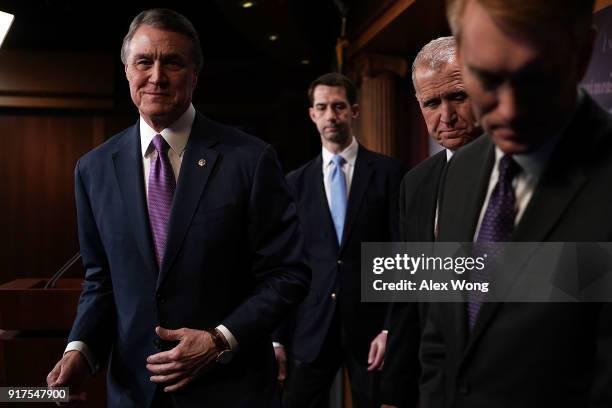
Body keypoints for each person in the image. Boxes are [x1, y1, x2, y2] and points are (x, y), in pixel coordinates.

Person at [46, 8, 310, 407]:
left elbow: (288, 273)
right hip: (134, 394)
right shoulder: (93, 169)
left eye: (172, 62)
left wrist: (219, 339)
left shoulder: (250, 160)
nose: (156, 76)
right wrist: (79, 350)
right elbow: (101, 282)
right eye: (144, 62)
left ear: (194, 75)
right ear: (127, 71)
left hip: (230, 389)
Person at [422, 0, 612, 406]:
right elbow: (441, 338)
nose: (508, 111)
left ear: (581, 55)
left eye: (534, 79)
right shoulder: (461, 170)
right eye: (486, 77)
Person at [273, 73, 405, 408]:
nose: (331, 115)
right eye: (323, 107)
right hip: (311, 328)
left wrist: (391, 329)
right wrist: (277, 338)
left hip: (371, 328)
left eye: (339, 107)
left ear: (355, 111)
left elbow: (402, 253)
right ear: (312, 114)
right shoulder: (294, 183)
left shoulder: (389, 173)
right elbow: (286, 263)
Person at [380, 36, 481, 408]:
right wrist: (393, 393)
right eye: (432, 103)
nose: (446, 116)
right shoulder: (415, 183)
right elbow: (411, 298)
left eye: (458, 96)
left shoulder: (533, 173)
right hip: (438, 388)